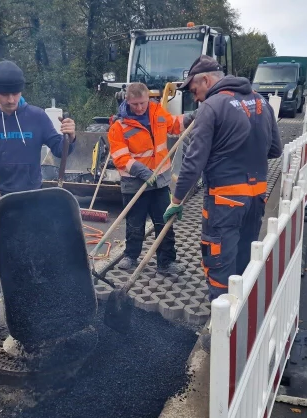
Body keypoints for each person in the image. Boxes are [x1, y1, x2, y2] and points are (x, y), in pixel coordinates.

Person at [0, 60, 77, 341]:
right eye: (5, 94)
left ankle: (31, 313)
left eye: (15, 93)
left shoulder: (36, 116)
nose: (11, 99)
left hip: (30, 201)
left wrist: (69, 136)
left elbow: (60, 151)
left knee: (31, 259)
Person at [164, 55, 282, 301]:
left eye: (195, 90)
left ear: (206, 80)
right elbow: (275, 150)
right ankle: (243, 312)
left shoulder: (212, 107)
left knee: (219, 262)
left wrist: (176, 201)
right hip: (257, 197)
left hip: (225, 202)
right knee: (243, 258)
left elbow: (193, 163)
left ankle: (221, 325)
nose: (195, 97)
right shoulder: (261, 101)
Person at [107, 82, 194, 275]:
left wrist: (191, 118)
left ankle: (166, 262)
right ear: (127, 101)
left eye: (143, 103)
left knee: (164, 222)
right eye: (135, 104)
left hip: (160, 181)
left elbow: (174, 125)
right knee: (135, 223)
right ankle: (131, 256)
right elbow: (120, 157)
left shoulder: (157, 112)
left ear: (149, 99)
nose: (139, 108)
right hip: (134, 182)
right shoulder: (119, 126)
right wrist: (141, 171)